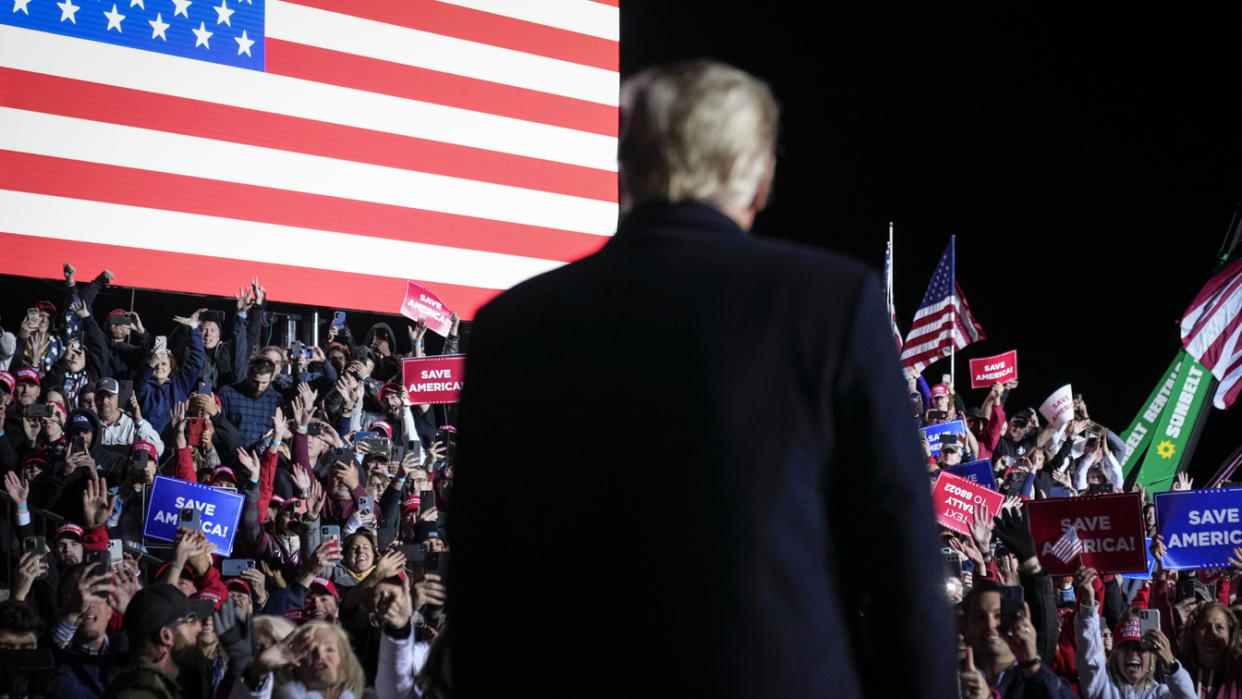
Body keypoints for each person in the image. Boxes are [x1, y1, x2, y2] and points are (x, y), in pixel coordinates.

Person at [451, 59, 955, 697]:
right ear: (762, 179)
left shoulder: (511, 326)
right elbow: (903, 568)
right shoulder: (833, 304)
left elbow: (479, 585)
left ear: (626, 167)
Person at [103, 583, 215, 699]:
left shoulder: (156, 685)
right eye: (191, 621)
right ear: (166, 636)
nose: (199, 628)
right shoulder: (143, 693)